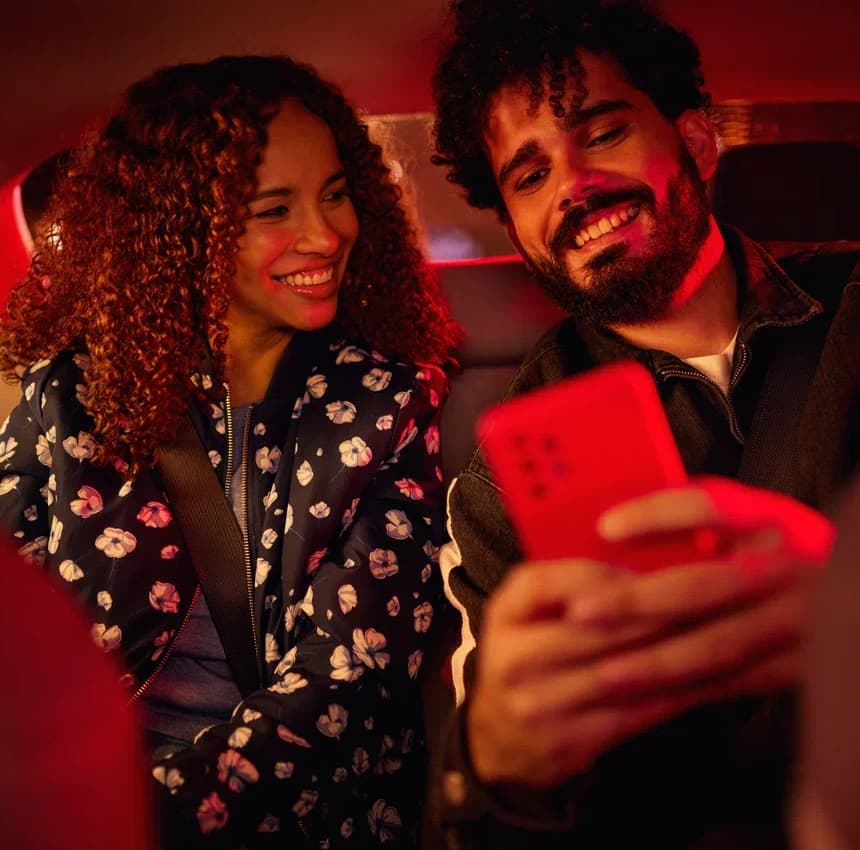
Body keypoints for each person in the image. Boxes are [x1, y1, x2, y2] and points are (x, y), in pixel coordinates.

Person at [428, 1, 860, 848]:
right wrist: (497, 761)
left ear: (695, 141)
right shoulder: (503, 482)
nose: (573, 185)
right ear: (516, 230)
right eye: (529, 177)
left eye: (604, 133)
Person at [0, 55, 460, 848]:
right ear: (184, 231)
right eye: (274, 208)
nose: (325, 235)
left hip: (291, 814)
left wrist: (138, 818)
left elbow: (347, 682)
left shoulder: (387, 403)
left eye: (336, 194)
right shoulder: (68, 396)